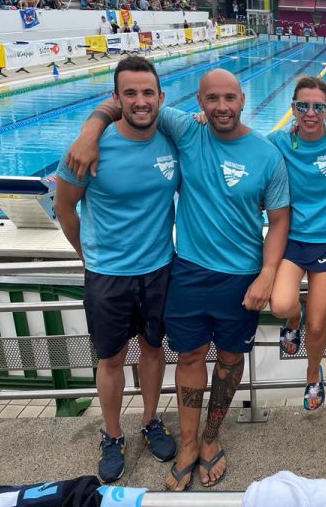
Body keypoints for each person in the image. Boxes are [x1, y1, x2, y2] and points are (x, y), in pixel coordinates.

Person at [66, 69, 291, 491]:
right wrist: (90, 130)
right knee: (189, 359)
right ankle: (188, 443)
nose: (222, 107)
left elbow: (279, 221)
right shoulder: (185, 131)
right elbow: (130, 102)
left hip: (242, 277)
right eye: (212, 99)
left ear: (243, 99)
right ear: (199, 103)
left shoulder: (266, 154)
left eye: (229, 98)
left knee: (229, 360)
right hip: (187, 271)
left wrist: (268, 273)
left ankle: (211, 438)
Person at [54, 57, 179, 483]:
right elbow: (64, 206)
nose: (140, 101)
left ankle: (148, 420)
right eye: (130, 93)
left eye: (148, 93)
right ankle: (111, 434)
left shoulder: (172, 138)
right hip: (108, 274)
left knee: (152, 349)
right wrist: (88, 256)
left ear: (161, 97)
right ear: (116, 98)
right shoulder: (89, 148)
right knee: (110, 359)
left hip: (160, 267)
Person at [268, 76, 326, 410]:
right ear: (292, 107)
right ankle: (293, 320)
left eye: (318, 106)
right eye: (303, 105)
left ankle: (312, 375)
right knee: (279, 305)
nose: (310, 113)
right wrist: (201, 119)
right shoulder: (278, 141)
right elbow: (239, 143)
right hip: (291, 240)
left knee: (319, 323)